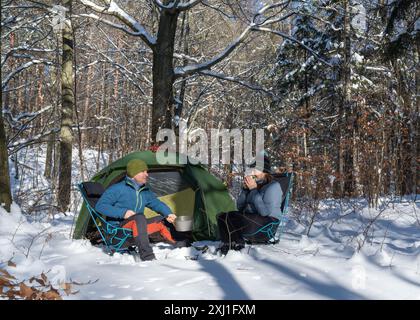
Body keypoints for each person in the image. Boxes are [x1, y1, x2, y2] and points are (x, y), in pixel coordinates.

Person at [95, 159, 185, 261]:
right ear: (134, 173)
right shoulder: (117, 189)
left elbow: (156, 203)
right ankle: (147, 256)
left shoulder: (144, 191)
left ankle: (177, 243)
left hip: (135, 231)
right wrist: (123, 213)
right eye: (143, 171)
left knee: (161, 219)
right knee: (139, 218)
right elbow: (100, 206)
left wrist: (168, 214)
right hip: (118, 233)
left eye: (147, 171)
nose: (147, 174)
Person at [216, 153, 283, 255]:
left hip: (268, 224)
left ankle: (238, 244)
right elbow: (240, 207)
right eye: (252, 168)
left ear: (264, 170)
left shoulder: (273, 186)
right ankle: (227, 244)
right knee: (222, 216)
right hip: (254, 219)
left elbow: (265, 212)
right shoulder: (256, 184)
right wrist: (245, 189)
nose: (252, 171)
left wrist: (253, 190)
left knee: (236, 218)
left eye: (255, 168)